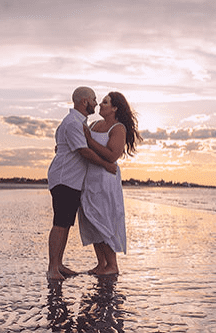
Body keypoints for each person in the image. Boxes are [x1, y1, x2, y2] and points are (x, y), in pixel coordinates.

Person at [47, 86, 117, 281]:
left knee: (65, 224)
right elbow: (83, 151)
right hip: (64, 179)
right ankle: (52, 268)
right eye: (94, 99)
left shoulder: (78, 122)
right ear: (85, 102)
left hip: (71, 180)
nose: (96, 103)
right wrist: (106, 165)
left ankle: (58, 264)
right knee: (60, 224)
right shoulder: (73, 123)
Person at [79, 92, 142, 276]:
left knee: (103, 219)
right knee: (91, 219)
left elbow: (112, 155)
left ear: (114, 108)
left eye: (105, 102)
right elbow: (81, 146)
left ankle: (112, 264)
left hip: (106, 178)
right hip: (89, 176)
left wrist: (90, 140)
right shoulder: (94, 124)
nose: (100, 105)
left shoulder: (118, 128)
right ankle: (101, 264)